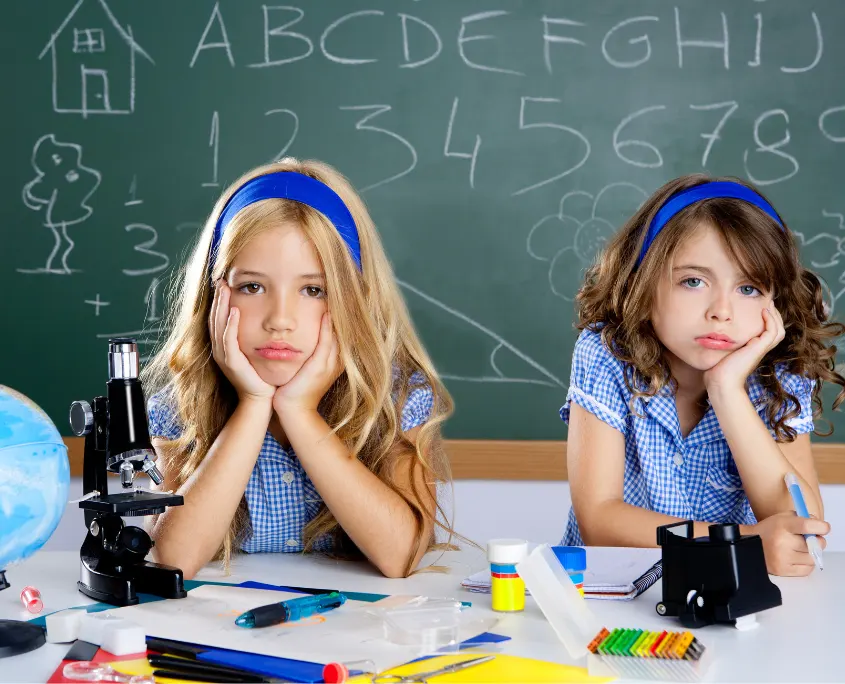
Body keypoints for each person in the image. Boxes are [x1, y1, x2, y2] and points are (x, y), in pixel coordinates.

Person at [142, 158, 453, 579]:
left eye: (313, 290)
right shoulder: (180, 404)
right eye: (252, 287)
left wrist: (300, 413)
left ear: (353, 300)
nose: (280, 319)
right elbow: (174, 559)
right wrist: (253, 405)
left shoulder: (396, 398)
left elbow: (400, 555)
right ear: (213, 297)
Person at [561, 174, 843, 576]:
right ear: (644, 282)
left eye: (749, 289)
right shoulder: (606, 355)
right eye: (693, 281)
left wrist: (728, 391)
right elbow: (600, 521)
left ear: (774, 301)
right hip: (613, 591)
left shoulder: (782, 370)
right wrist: (742, 545)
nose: (721, 311)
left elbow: (801, 529)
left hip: (733, 599)